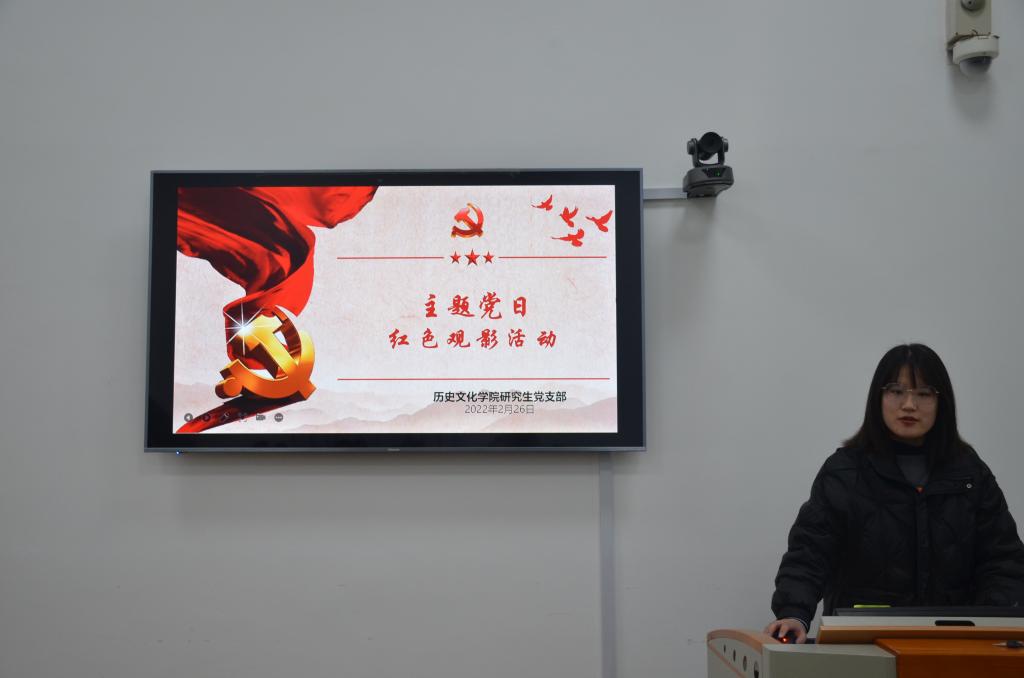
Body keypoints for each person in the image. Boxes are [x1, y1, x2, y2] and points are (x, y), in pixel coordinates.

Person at [765, 343, 1024, 643]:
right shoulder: (845, 472)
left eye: (924, 393)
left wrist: (990, 626)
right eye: (896, 391)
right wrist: (794, 613)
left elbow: (1003, 561)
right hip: (864, 642)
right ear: (878, 398)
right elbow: (810, 552)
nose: (909, 404)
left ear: (942, 402)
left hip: (953, 644)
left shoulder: (970, 473)